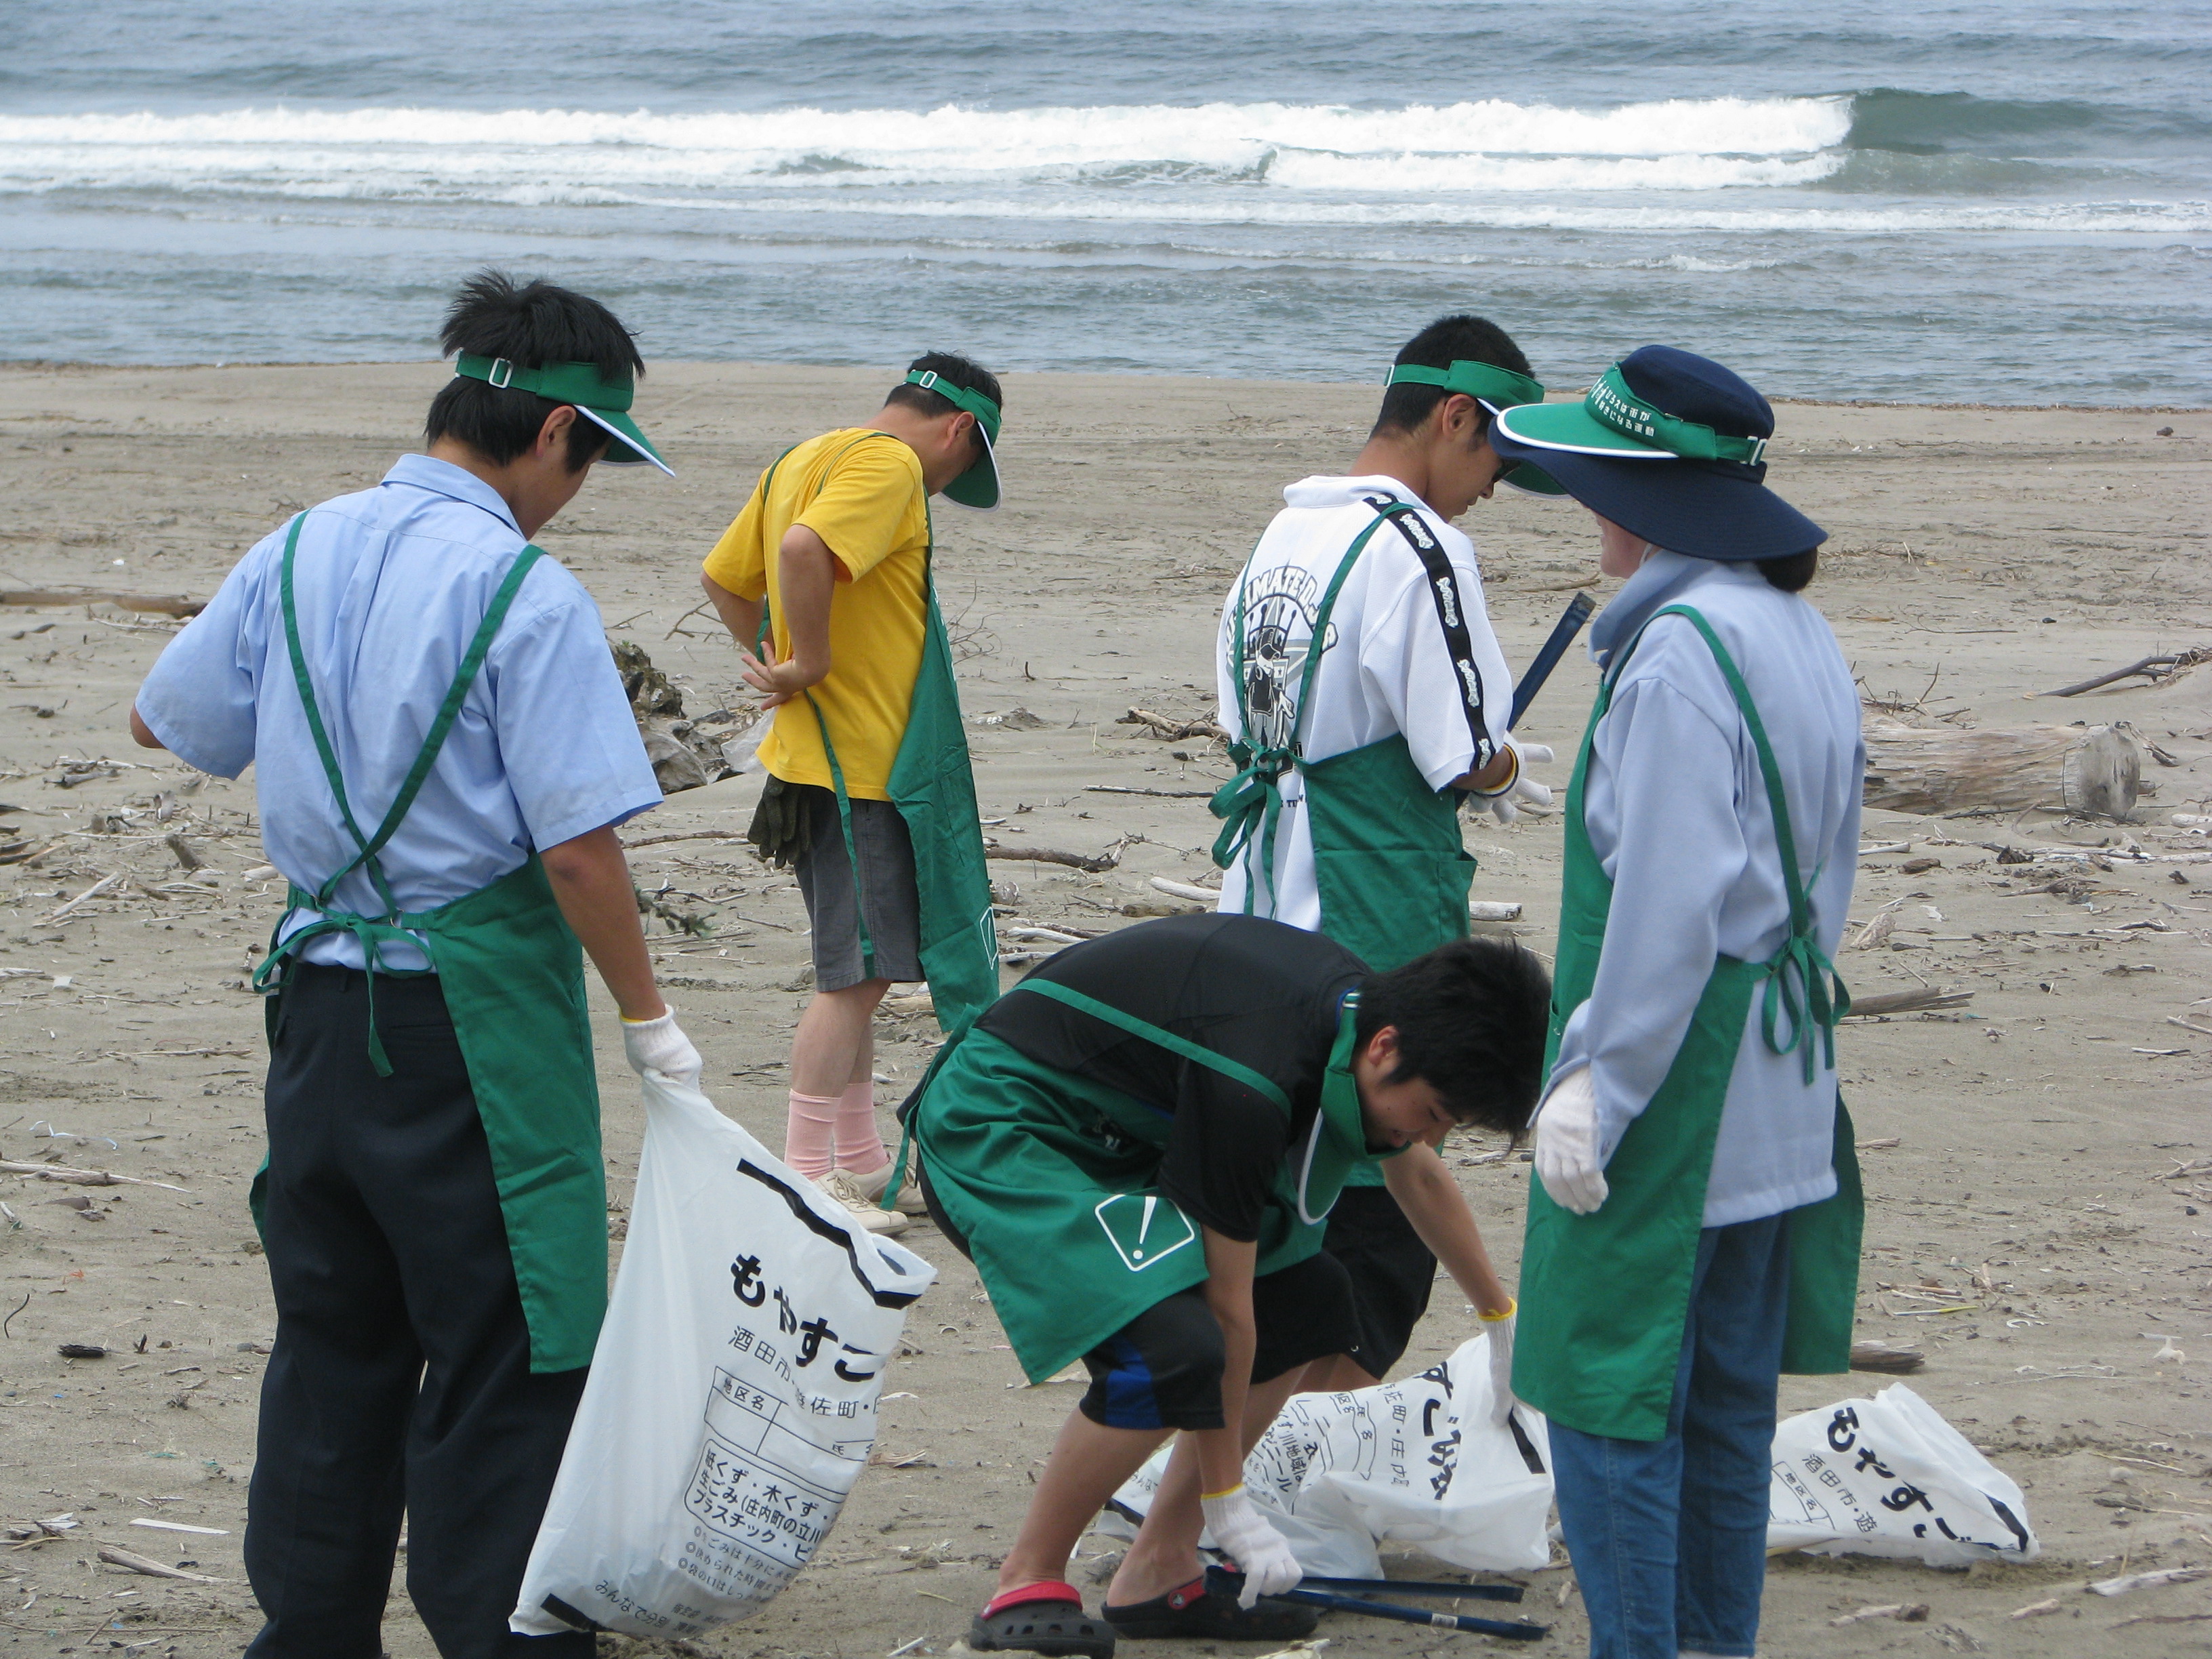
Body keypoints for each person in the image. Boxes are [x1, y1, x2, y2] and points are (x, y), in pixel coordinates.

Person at [127, 270, 700, 1658]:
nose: (580, 494)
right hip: (471, 1024)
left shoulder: (298, 545)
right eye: (596, 462)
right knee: (509, 1337)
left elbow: (167, 724)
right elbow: (577, 851)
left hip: (318, 1001)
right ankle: (498, 1631)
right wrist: (649, 1021)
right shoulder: (526, 592)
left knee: (335, 1331)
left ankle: (311, 1631)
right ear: (557, 432)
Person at [1488, 346, 1865, 1659]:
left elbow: (1666, 908)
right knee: (1721, 1406)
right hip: (1785, 1088)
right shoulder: (1794, 630)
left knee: (1604, 1399)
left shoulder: (1677, 657)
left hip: (1681, 1083)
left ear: (1635, 495)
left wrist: (1600, 1084)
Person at [901, 914, 1552, 1658]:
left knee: (1311, 1303)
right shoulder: (1258, 1078)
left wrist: (1499, 1317)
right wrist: (1230, 1505)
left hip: (1114, 1134)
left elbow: (1417, 1178)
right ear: (1385, 1050)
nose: (1423, 1137)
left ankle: (1160, 1566)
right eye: (1433, 1115)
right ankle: (1027, 1578)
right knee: (1172, 1350)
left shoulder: (1360, 1015)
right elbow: (1229, 1311)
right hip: (1003, 1121)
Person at [1210, 313, 1556, 1399]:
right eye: (1499, 457)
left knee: (1279, 1207)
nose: (1495, 487)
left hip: (1262, 897)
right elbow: (1458, 750)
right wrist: (1504, 775)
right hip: (1373, 898)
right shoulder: (1420, 546)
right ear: (1456, 417)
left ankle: (1237, 1466)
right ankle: (1303, 1458)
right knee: (1375, 1235)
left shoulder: (1282, 537)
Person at [700, 354, 1004, 1235]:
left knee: (860, 971)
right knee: (856, 975)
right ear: (958, 432)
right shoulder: (891, 465)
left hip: (810, 760)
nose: (949, 486)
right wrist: (808, 663)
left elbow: (726, 578)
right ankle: (803, 1175)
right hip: (860, 766)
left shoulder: (804, 456)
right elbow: (801, 551)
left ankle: (862, 1159)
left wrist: (773, 655)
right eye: (963, 470)